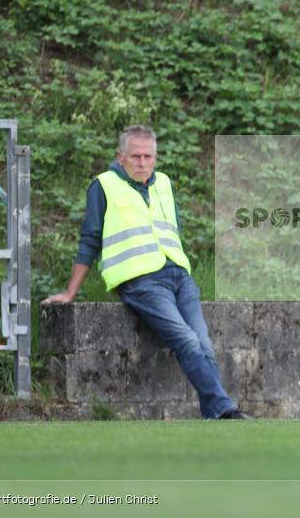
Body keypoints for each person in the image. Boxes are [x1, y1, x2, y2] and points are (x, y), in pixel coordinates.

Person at [43, 125, 249, 419]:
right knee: (187, 340)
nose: (142, 163)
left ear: (156, 157)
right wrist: (70, 292)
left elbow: (172, 229)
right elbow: (89, 241)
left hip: (179, 276)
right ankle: (226, 409)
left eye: (148, 156)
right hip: (141, 282)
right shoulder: (102, 186)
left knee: (203, 344)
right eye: (136, 156)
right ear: (121, 156)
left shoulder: (163, 183)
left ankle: (215, 415)